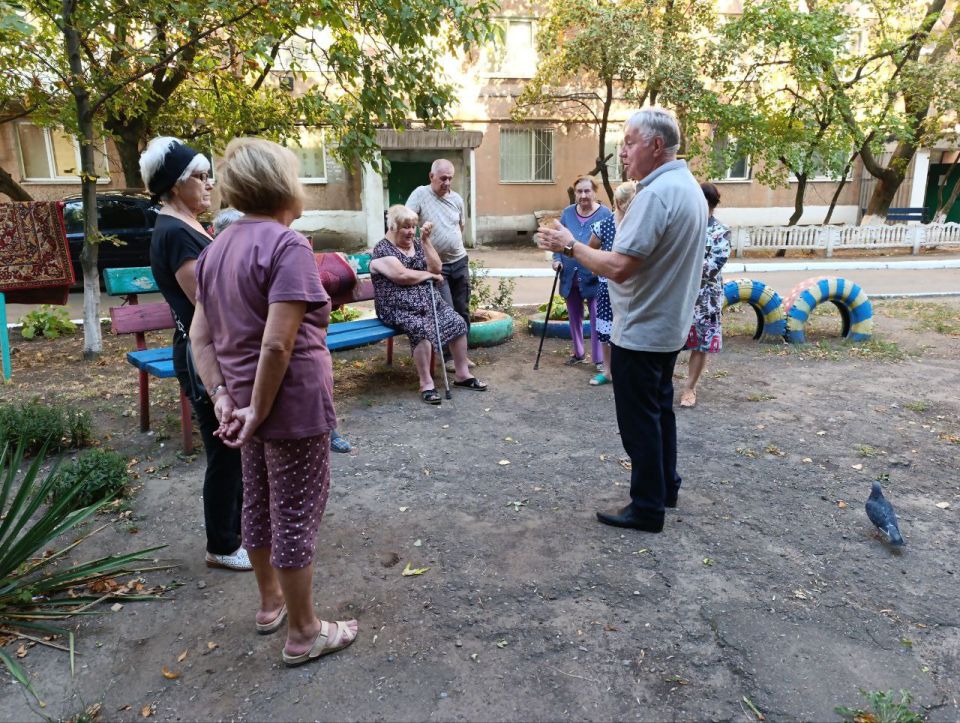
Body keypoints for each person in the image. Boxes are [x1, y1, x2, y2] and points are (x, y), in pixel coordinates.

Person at [189, 137, 358, 666]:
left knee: (260, 507)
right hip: (289, 409)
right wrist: (258, 408)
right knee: (295, 514)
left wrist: (224, 397)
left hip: (243, 409)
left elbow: (200, 337)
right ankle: (306, 632)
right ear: (283, 185)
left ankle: (270, 605)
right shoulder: (289, 247)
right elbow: (279, 342)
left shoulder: (214, 249)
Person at [537, 108, 707, 533]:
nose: (621, 152)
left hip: (642, 329)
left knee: (639, 423)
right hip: (666, 326)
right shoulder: (686, 187)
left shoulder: (656, 195)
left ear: (655, 146)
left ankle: (647, 507)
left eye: (629, 142)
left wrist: (568, 244)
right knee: (658, 411)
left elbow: (617, 266)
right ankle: (665, 487)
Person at [139, 137, 250, 571]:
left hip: (210, 349)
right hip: (204, 354)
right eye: (199, 178)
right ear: (174, 185)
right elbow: (208, 303)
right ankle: (222, 545)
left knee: (233, 448)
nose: (208, 185)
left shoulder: (185, 225)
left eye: (207, 176)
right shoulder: (176, 233)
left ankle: (238, 531)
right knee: (224, 449)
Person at [370, 205, 487, 404]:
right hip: (397, 307)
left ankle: (462, 374)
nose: (410, 231)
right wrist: (430, 276)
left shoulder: (416, 243)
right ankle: (426, 384)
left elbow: (437, 267)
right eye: (406, 227)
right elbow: (402, 275)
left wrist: (425, 241)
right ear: (393, 227)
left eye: (413, 226)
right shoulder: (382, 249)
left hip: (427, 302)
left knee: (457, 322)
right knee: (421, 329)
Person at [405, 158, 475, 370]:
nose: (447, 182)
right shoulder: (420, 194)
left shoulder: (457, 199)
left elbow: (459, 227)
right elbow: (406, 219)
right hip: (437, 267)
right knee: (447, 310)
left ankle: (462, 356)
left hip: (459, 261)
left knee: (462, 309)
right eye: (443, 178)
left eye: (450, 178)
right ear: (431, 176)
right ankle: (448, 358)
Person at [680, 183, 731, 408]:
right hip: (679, 295)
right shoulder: (682, 227)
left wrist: (681, 263)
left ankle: (689, 388)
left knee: (700, 344)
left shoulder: (721, 232)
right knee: (668, 341)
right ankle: (661, 384)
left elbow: (712, 267)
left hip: (705, 299)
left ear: (709, 205)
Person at [554, 176, 612, 367]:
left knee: (597, 318)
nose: (583, 195)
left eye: (587, 191)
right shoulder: (567, 213)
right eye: (579, 191)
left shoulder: (605, 214)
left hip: (594, 275)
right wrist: (556, 260)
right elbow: (558, 241)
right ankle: (578, 353)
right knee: (574, 316)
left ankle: (599, 359)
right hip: (569, 275)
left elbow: (610, 244)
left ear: (595, 192)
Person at [587, 181, 638, 386]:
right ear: (619, 202)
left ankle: (626, 372)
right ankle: (607, 371)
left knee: (630, 330)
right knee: (606, 329)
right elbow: (590, 253)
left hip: (634, 289)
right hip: (608, 288)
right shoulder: (604, 226)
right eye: (631, 204)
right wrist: (600, 268)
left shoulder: (638, 225)